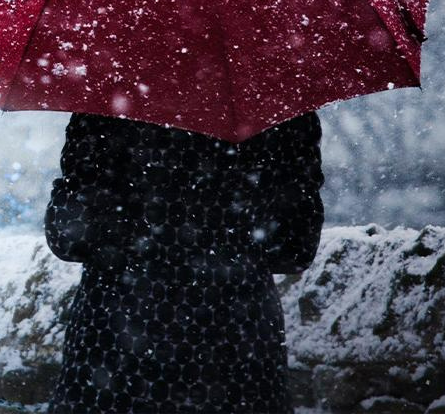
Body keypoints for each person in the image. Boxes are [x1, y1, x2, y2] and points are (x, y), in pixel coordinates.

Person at [45, 112, 324, 413]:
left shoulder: (107, 98)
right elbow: (295, 248)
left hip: (117, 350)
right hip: (239, 350)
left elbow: (69, 237)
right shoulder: (276, 98)